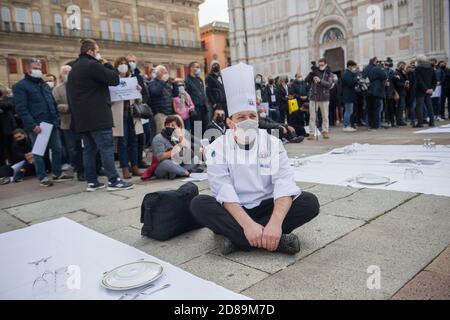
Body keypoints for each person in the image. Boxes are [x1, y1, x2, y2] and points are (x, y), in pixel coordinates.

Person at [190, 63, 320, 255]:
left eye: (252, 115)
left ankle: (238, 239)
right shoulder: (217, 147)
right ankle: (273, 240)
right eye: (241, 117)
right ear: (230, 122)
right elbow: (223, 189)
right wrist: (248, 224)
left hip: (268, 204)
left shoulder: (272, 143)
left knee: (309, 202)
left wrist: (275, 223)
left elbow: (284, 183)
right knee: (198, 204)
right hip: (235, 208)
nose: (248, 120)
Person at [68, 39, 133, 191]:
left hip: (82, 118)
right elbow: (114, 79)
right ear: (90, 51)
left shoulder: (74, 68)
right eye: (97, 51)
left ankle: (92, 181)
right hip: (98, 115)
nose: (98, 54)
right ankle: (114, 180)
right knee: (106, 148)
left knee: (89, 150)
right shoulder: (92, 65)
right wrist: (107, 64)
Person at [14, 58, 72, 187]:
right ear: (28, 69)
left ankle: (57, 173)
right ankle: (42, 177)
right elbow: (21, 108)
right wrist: (32, 125)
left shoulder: (44, 85)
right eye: (35, 68)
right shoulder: (21, 86)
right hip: (37, 125)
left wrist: (56, 119)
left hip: (52, 123)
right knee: (39, 152)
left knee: (57, 149)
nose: (38, 70)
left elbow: (52, 102)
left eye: (40, 68)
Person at [111, 57, 143, 179]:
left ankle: (134, 166)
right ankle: (125, 168)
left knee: (133, 141)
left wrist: (139, 91)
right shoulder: (113, 81)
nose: (123, 66)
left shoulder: (132, 80)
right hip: (120, 116)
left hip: (132, 115)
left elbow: (139, 100)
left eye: (125, 64)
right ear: (116, 66)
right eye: (120, 64)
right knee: (122, 143)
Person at [52, 65, 85, 181]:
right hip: (67, 122)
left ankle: (87, 168)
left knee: (84, 147)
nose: (67, 74)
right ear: (61, 75)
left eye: (69, 72)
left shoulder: (80, 86)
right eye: (65, 72)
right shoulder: (57, 89)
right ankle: (77, 169)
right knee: (72, 148)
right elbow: (54, 105)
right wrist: (68, 107)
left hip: (82, 121)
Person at [152, 115, 196, 180]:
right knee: (166, 163)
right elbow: (160, 157)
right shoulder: (158, 138)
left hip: (179, 163)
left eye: (173, 125)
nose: (170, 127)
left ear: (179, 127)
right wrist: (176, 148)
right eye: (168, 125)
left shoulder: (178, 136)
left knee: (195, 158)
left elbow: (190, 153)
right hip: (163, 166)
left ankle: (177, 172)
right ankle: (184, 172)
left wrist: (181, 138)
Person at [127, 54, 151, 169]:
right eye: (129, 61)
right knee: (131, 138)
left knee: (142, 136)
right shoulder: (123, 77)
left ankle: (139, 159)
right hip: (129, 111)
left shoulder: (139, 76)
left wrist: (142, 104)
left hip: (139, 110)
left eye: (133, 61)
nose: (132, 63)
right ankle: (132, 161)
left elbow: (145, 93)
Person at [305, 58, 334, 139]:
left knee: (325, 116)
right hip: (314, 97)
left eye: (322, 63)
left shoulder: (329, 73)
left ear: (325, 64)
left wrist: (320, 80)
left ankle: (325, 131)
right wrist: (311, 75)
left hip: (324, 98)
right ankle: (311, 133)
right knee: (312, 116)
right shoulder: (315, 72)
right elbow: (306, 80)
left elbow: (329, 84)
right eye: (319, 63)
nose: (320, 64)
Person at [149, 65, 179, 134]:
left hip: (169, 113)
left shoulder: (167, 84)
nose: (165, 74)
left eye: (166, 72)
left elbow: (175, 95)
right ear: (157, 73)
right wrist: (162, 81)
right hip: (159, 113)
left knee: (171, 134)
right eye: (163, 72)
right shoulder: (152, 82)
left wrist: (174, 84)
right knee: (161, 134)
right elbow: (155, 92)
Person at [362, 57, 388, 130]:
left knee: (369, 109)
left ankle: (369, 125)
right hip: (376, 91)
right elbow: (385, 76)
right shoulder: (377, 68)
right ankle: (376, 126)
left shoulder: (365, 68)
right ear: (374, 62)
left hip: (367, 91)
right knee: (376, 109)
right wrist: (381, 68)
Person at [413, 55, 437, 128]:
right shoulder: (431, 68)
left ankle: (420, 123)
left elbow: (419, 81)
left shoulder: (418, 69)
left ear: (419, 61)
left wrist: (425, 89)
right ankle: (432, 122)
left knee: (419, 107)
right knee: (429, 106)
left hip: (420, 90)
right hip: (429, 90)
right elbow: (434, 80)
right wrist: (432, 89)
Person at [185, 61, 209, 132]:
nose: (199, 69)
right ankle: (197, 143)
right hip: (195, 109)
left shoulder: (200, 80)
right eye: (197, 67)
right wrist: (190, 108)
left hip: (204, 108)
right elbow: (185, 96)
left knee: (205, 128)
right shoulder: (187, 81)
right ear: (191, 68)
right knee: (197, 130)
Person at [0, 83, 16, 166]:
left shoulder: (9, 99)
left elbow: (9, 105)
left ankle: (13, 166)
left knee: (10, 148)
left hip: (8, 128)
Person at [341, 60, 358, 132]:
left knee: (349, 111)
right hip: (347, 95)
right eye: (354, 67)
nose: (354, 68)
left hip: (349, 94)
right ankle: (346, 125)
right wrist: (356, 78)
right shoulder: (346, 73)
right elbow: (350, 83)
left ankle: (347, 125)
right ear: (350, 66)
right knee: (348, 111)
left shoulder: (349, 73)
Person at [392, 61, 408, 126]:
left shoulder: (402, 73)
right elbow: (396, 83)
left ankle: (400, 120)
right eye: (402, 65)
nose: (404, 67)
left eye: (404, 65)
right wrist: (404, 84)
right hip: (399, 92)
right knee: (400, 107)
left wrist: (405, 74)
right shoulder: (396, 73)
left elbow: (406, 79)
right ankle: (399, 120)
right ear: (399, 65)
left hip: (403, 92)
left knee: (402, 106)